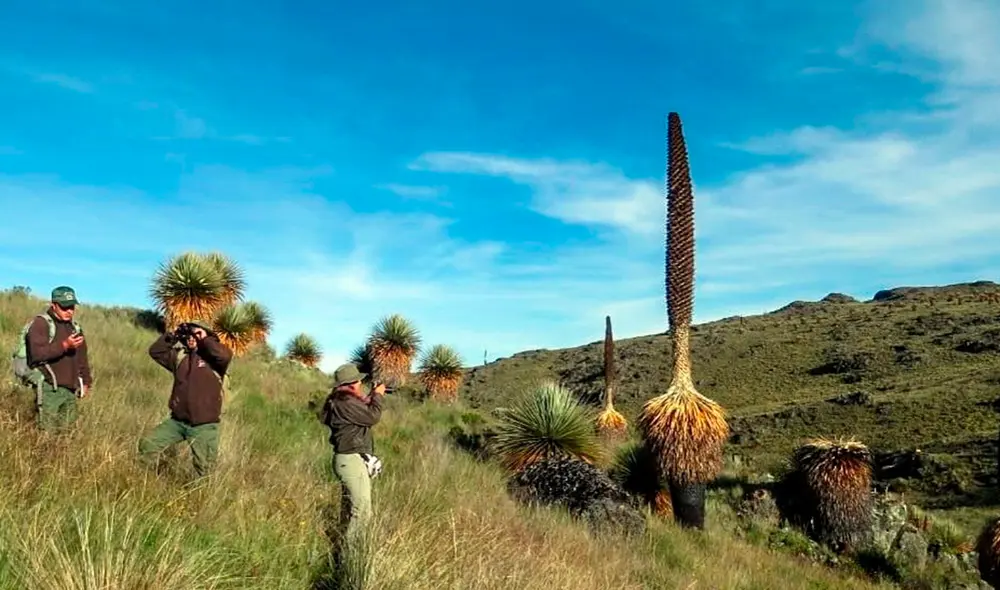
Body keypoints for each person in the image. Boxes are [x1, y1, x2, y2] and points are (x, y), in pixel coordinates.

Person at [138, 321, 232, 478]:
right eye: (189, 335)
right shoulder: (181, 357)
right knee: (148, 445)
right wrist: (173, 335)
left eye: (196, 335)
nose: (192, 338)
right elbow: (156, 352)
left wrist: (204, 339)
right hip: (177, 422)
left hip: (205, 427)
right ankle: (142, 480)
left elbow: (224, 355)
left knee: (204, 469)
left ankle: (202, 497)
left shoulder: (215, 361)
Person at [321, 363, 386, 541]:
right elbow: (372, 417)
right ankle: (350, 555)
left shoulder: (341, 402)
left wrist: (373, 396)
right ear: (351, 384)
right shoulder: (346, 403)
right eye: (358, 381)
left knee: (349, 509)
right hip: (351, 461)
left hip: (347, 460)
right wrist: (378, 396)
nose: (360, 384)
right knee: (361, 512)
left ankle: (340, 546)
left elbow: (363, 413)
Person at [15, 286, 93, 431]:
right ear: (54, 305)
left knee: (67, 434)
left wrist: (87, 381)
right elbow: (37, 354)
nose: (69, 311)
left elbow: (82, 358)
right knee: (46, 432)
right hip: (49, 388)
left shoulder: (75, 328)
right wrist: (64, 345)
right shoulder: (41, 323)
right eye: (65, 307)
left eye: (72, 307)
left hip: (71, 390)